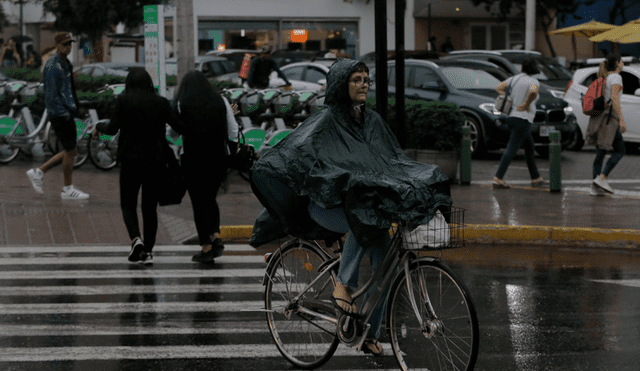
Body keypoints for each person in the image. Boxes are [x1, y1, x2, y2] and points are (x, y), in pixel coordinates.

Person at [250, 59, 452, 356]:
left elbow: (392, 160)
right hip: (324, 205)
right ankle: (343, 285)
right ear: (341, 85)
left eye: (366, 78)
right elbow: (302, 159)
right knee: (365, 216)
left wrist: (417, 178)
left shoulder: (372, 122)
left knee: (385, 266)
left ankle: (369, 333)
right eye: (356, 79)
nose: (364, 84)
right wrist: (338, 179)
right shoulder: (325, 122)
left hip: (360, 204)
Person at [94, 68, 183, 264]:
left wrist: (98, 129)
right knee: (149, 208)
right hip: (155, 160)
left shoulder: (124, 101)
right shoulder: (160, 102)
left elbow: (111, 129)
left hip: (130, 159)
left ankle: (136, 240)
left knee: (128, 204)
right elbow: (180, 126)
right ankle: (148, 251)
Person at [172, 71, 239, 263]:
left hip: (192, 159)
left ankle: (206, 246)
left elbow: (174, 134)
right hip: (217, 158)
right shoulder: (221, 101)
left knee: (198, 202)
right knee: (210, 198)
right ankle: (216, 235)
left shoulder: (181, 103)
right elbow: (233, 130)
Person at [26, 32, 89, 200]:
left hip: (66, 112)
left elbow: (69, 89)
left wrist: (76, 108)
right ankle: (67, 189)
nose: (68, 47)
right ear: (57, 45)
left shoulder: (65, 62)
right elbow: (52, 96)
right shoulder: (53, 65)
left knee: (71, 151)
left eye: (70, 44)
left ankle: (39, 172)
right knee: (70, 151)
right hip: (60, 114)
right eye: (65, 44)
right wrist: (66, 114)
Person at [492, 58, 548, 189]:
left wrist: (509, 98)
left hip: (512, 116)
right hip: (523, 118)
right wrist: (526, 104)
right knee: (512, 149)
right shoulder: (533, 81)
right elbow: (533, 92)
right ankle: (498, 178)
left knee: (529, 147)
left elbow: (499, 87)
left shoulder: (514, 79)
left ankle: (535, 178)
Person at [586, 54, 626, 196]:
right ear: (616, 63)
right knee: (620, 150)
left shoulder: (606, 76)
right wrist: (621, 118)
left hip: (601, 117)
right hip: (610, 118)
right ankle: (602, 177)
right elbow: (615, 98)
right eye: (621, 61)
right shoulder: (616, 77)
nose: (623, 63)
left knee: (601, 152)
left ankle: (595, 186)